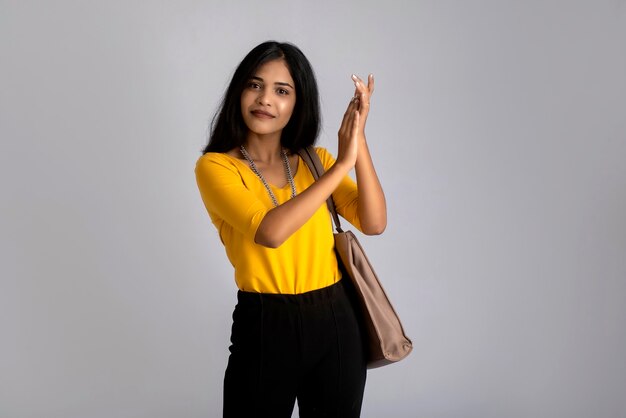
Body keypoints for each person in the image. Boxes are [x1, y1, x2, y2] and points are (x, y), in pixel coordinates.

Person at [195, 40, 386, 418]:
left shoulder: (316, 162)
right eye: (255, 85)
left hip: (335, 318)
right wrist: (340, 166)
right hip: (265, 322)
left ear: (298, 104)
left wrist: (357, 143)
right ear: (239, 91)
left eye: (282, 91)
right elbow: (270, 232)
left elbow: (375, 222)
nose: (265, 98)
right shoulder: (217, 167)